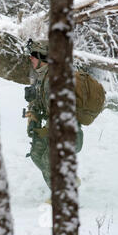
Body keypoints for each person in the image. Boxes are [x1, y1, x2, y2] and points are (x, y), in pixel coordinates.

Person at [24, 39, 83, 190]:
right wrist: (33, 119)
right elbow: (37, 103)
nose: (31, 58)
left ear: (43, 57)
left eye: (34, 55)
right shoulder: (43, 76)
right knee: (37, 154)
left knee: (48, 162)